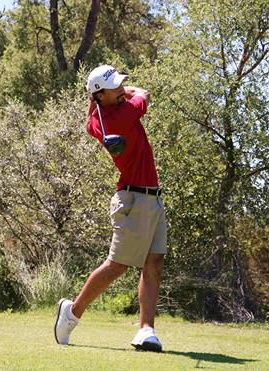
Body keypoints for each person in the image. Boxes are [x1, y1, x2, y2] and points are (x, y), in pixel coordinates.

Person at [54, 64, 166, 352]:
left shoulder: (99, 117)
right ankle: (72, 313)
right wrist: (127, 92)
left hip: (150, 197)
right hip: (133, 199)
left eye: (120, 85)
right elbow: (145, 93)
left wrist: (112, 93)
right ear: (99, 94)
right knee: (117, 266)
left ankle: (146, 330)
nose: (121, 89)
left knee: (153, 262)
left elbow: (94, 114)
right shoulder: (122, 116)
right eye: (114, 86)